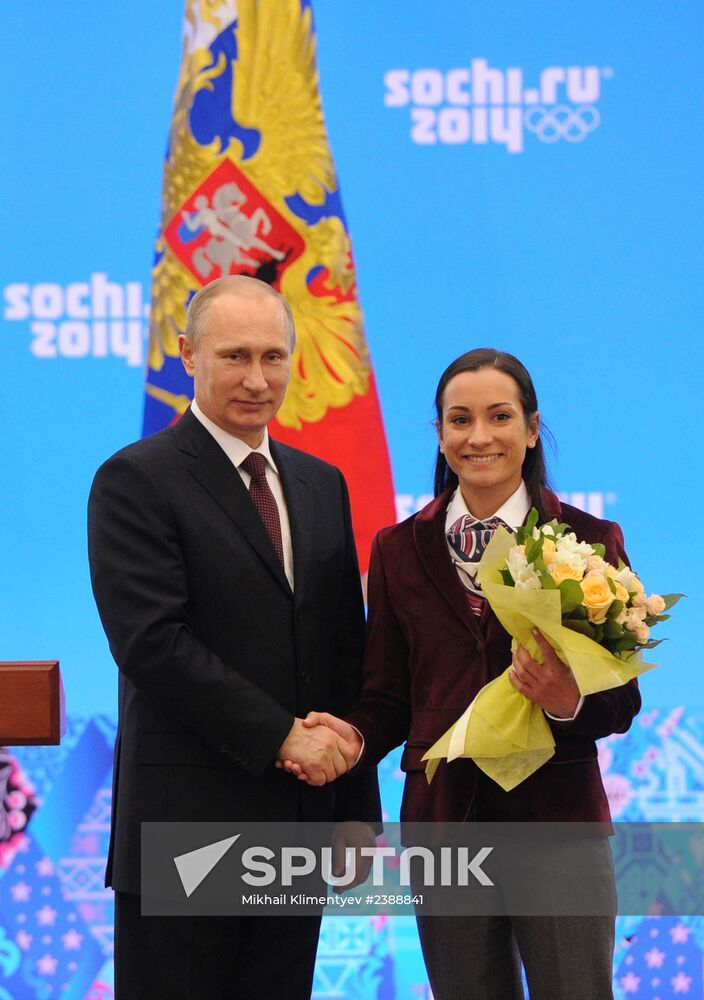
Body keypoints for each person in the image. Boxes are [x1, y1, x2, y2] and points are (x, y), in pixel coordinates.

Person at [286, 348, 641, 999]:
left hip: (559, 825)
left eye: (499, 416)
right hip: (445, 826)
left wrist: (567, 700)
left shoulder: (588, 539)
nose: (479, 437)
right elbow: (388, 694)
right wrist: (352, 740)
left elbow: (621, 701)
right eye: (460, 420)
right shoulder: (397, 549)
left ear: (531, 429)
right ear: (440, 434)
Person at [87, 275, 380, 999]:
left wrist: (355, 809)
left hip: (299, 832)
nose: (257, 379)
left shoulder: (321, 484)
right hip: (185, 835)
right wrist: (283, 735)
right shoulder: (135, 479)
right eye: (235, 356)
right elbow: (153, 643)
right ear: (187, 354)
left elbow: (344, 650)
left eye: (273, 357)